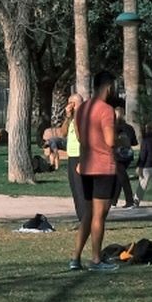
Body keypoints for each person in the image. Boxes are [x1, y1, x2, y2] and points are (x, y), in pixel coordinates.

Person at [71, 72, 118, 272]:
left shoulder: (81, 109)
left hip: (86, 166)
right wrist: (120, 137)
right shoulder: (106, 110)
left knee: (88, 214)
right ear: (108, 87)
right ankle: (96, 259)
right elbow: (110, 141)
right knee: (99, 215)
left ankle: (75, 258)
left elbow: (80, 137)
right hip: (103, 167)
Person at [62, 95, 87, 226]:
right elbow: (63, 132)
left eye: (72, 103)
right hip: (71, 156)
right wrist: (67, 117)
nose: (70, 106)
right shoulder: (71, 118)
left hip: (80, 155)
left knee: (81, 188)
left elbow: (82, 138)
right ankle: (80, 218)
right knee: (74, 189)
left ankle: (85, 219)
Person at [112, 102, 138, 208]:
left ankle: (130, 201)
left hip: (117, 155)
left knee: (123, 177)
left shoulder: (114, 127)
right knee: (119, 177)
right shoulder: (129, 128)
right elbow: (134, 142)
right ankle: (114, 201)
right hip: (127, 155)